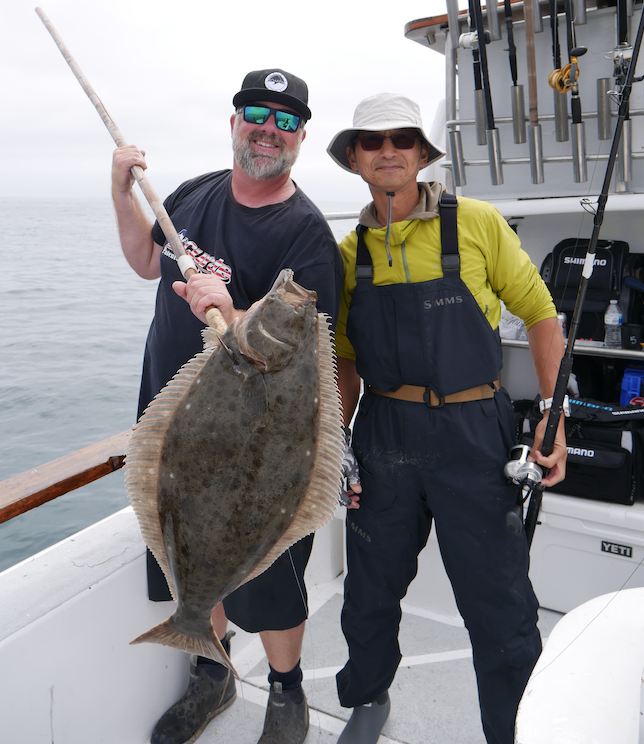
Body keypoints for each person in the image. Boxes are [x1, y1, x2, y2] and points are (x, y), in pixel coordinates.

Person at [326, 92, 567, 744]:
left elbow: (544, 318)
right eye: (372, 141)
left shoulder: (480, 223)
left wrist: (552, 415)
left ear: (421, 154)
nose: (389, 151)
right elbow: (345, 359)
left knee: (500, 605)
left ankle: (514, 730)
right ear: (355, 157)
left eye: (403, 138)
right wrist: (338, 442)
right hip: (383, 436)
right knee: (369, 591)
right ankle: (367, 698)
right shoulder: (348, 256)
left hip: (473, 434)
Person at [111, 68, 343, 744]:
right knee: (188, 560)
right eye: (257, 113)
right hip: (179, 419)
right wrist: (121, 190)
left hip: (260, 446)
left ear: (300, 136)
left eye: (287, 119)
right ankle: (211, 677)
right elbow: (143, 261)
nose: (269, 128)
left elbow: (303, 356)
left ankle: (285, 692)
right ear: (236, 119)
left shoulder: (306, 236)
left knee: (267, 585)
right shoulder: (192, 193)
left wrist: (230, 310)